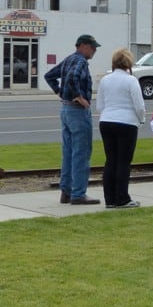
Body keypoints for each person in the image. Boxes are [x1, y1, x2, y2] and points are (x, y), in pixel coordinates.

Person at [44, 34, 101, 205]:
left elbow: (49, 76)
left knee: (68, 152)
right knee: (81, 152)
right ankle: (78, 193)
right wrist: (79, 96)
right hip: (77, 111)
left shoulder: (69, 59)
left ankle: (66, 191)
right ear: (82, 46)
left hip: (66, 109)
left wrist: (59, 92)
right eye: (92, 47)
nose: (94, 51)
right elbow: (72, 78)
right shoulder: (80, 61)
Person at [96, 48, 147, 209]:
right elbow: (139, 106)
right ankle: (122, 198)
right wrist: (141, 120)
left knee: (111, 160)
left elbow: (99, 106)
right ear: (128, 63)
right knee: (124, 161)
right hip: (127, 123)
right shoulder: (131, 81)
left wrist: (109, 112)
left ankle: (110, 199)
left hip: (106, 121)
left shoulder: (105, 80)